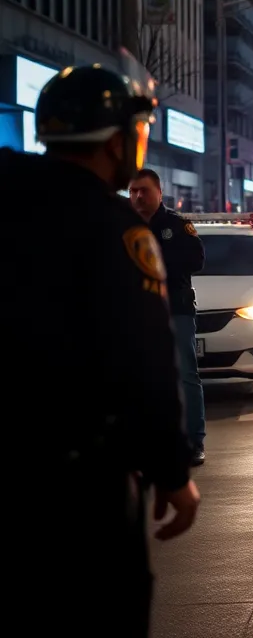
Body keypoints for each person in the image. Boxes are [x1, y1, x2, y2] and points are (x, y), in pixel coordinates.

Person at [2, 64, 200, 635]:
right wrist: (170, 471)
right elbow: (144, 359)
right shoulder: (114, 227)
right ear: (118, 141)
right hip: (74, 482)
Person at [129, 167, 208, 466]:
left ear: (159, 193)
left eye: (144, 191)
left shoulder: (176, 225)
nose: (138, 196)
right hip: (135, 313)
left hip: (175, 309)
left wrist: (152, 260)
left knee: (186, 374)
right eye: (133, 191)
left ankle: (193, 441)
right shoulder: (122, 225)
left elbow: (196, 259)